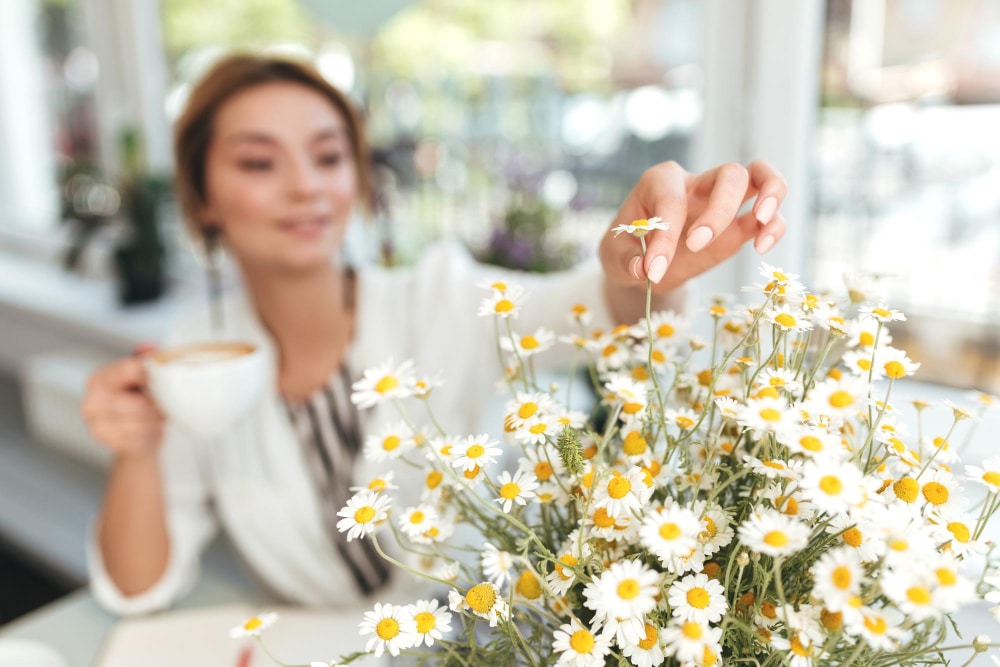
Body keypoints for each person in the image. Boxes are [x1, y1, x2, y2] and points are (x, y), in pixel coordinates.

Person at [80, 53, 788, 615]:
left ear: (357, 180)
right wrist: (135, 447)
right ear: (201, 196)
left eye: (328, 156)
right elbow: (139, 587)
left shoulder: (438, 297)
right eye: (259, 162)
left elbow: (594, 317)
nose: (305, 186)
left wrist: (638, 267)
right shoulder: (192, 358)